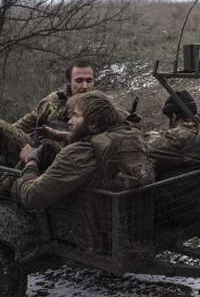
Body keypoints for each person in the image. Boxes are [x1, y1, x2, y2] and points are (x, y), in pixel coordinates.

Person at [12, 90, 152, 209]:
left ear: (93, 123)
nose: (69, 121)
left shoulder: (79, 153)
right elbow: (96, 138)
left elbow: (32, 198)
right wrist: (59, 135)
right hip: (132, 219)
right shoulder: (132, 134)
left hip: (93, 228)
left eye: (76, 115)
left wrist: (30, 162)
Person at [0, 60, 96, 166]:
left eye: (89, 80)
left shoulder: (100, 107)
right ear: (68, 81)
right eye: (79, 81)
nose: (85, 86)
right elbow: (27, 122)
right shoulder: (54, 100)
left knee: (47, 147)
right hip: (35, 151)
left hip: (65, 159)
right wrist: (8, 137)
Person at [144, 90, 200, 178]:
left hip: (180, 188)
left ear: (173, 116)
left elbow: (145, 148)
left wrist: (146, 135)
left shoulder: (182, 136)